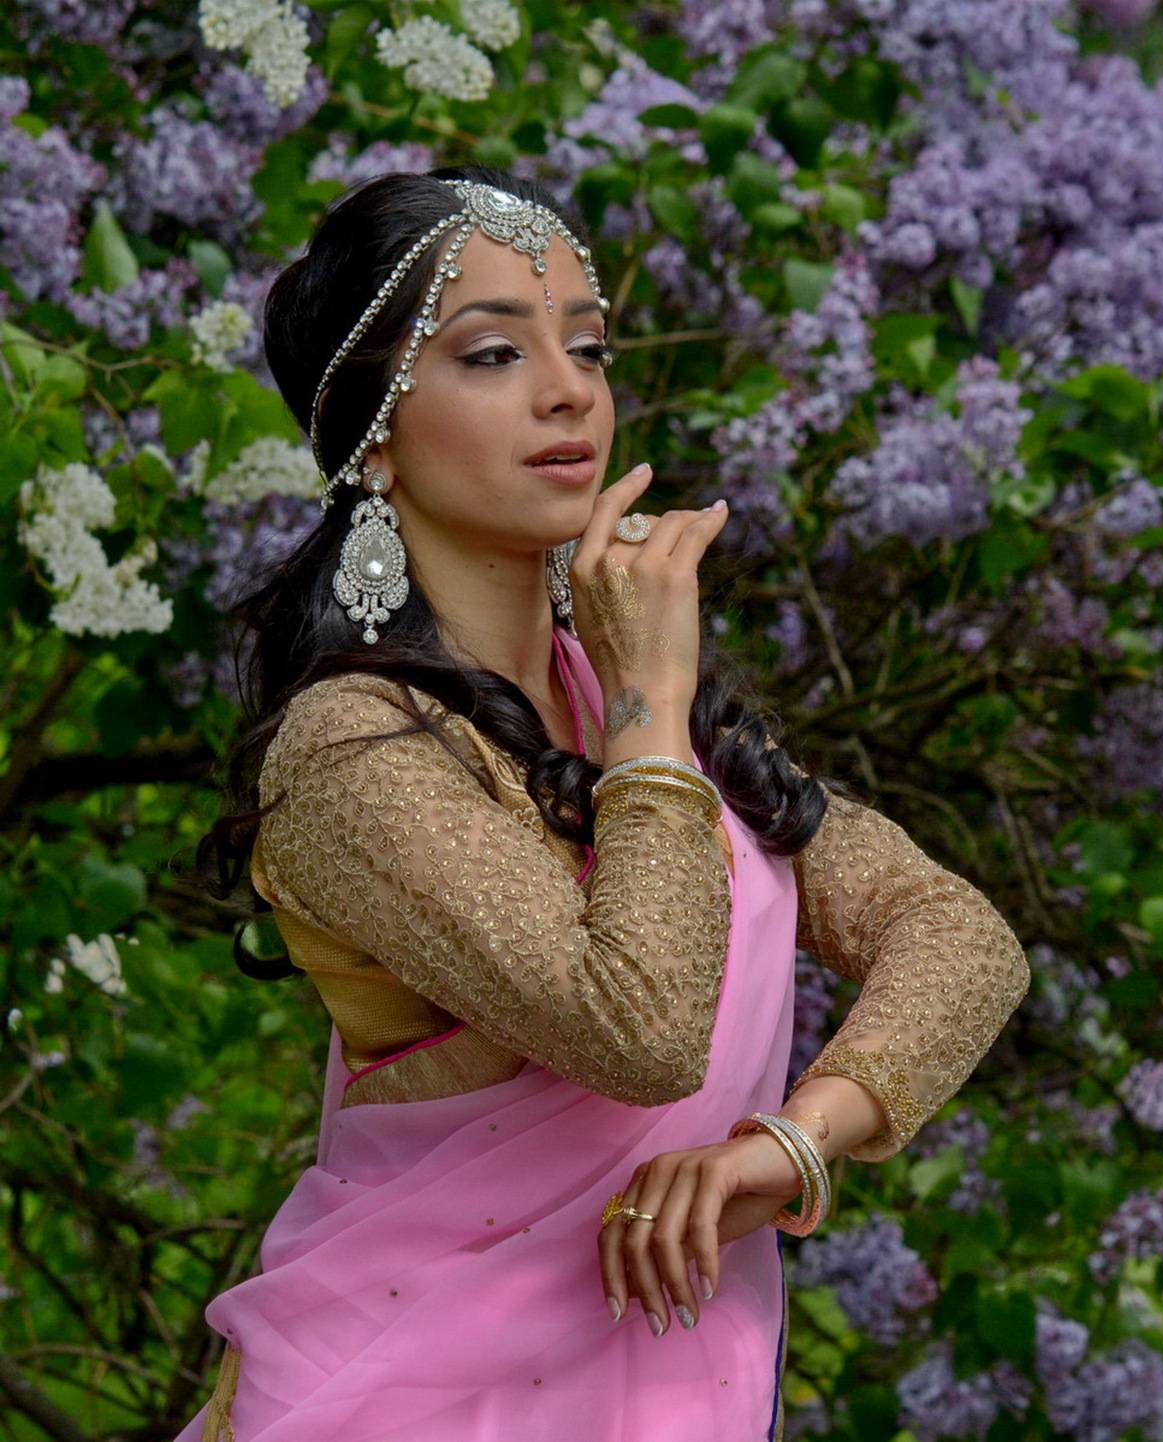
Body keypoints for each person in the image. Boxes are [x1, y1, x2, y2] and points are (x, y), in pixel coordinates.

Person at [182, 163, 1031, 1442]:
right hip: (410, 1395)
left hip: (676, 1373)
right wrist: (649, 705)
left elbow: (961, 934)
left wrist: (792, 1143)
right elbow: (641, 1032)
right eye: (492, 354)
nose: (570, 389)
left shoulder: (637, 703)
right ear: (373, 434)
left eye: (587, 347)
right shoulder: (355, 747)